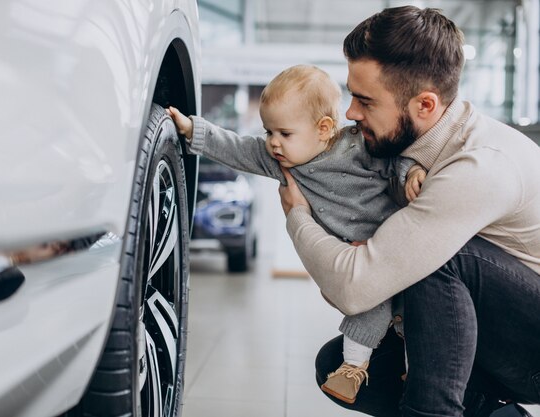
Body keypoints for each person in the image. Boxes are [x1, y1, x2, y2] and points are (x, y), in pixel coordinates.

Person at [277, 6, 540, 417]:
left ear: (425, 105)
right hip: (495, 334)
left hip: (532, 352)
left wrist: (298, 218)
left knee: (436, 258)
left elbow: (353, 287)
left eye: (365, 100)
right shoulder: (407, 155)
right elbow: (355, 290)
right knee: (339, 366)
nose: (350, 113)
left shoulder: (478, 166)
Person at [167, 64, 426, 403]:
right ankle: (352, 368)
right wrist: (192, 130)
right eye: (268, 132)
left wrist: (411, 174)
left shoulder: (355, 147)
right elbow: (237, 149)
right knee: (367, 308)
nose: (273, 143)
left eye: (284, 134)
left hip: (391, 244)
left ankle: (419, 372)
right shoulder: (278, 160)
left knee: (416, 312)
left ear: (323, 129)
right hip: (354, 261)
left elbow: (395, 159)